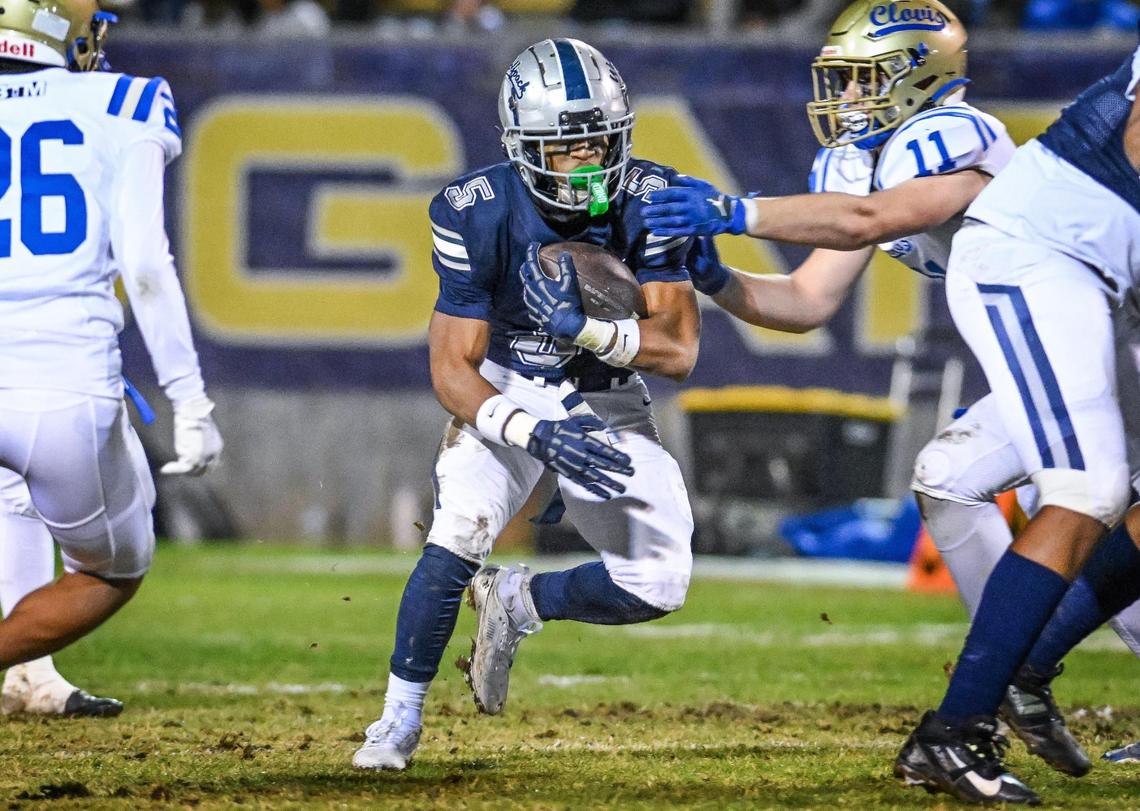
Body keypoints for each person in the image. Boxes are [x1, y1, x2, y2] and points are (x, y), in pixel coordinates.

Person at [642, 0, 1140, 792]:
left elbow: (875, 218)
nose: (844, 97)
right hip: (1065, 307)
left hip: (1088, 309)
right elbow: (807, 301)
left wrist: (738, 212)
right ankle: (1002, 678)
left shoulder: (950, 135)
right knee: (981, 481)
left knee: (1092, 493)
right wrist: (718, 280)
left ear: (920, 76)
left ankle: (1007, 676)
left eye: (863, 79)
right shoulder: (855, 161)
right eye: (839, 79)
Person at [352, 37, 700, 772]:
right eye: (566, 148)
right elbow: (453, 367)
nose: (589, 161)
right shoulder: (475, 209)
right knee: (460, 530)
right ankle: (396, 720)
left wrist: (589, 328)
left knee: (660, 581)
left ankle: (519, 601)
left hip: (604, 388)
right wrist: (529, 433)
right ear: (521, 144)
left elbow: (677, 350)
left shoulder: (651, 197)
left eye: (599, 141)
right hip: (508, 384)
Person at [0, 0, 222, 681]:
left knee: (13, 492)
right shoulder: (123, 101)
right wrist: (191, 401)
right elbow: (146, 265)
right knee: (116, 567)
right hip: (63, 387)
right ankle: (20, 667)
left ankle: (30, 681)